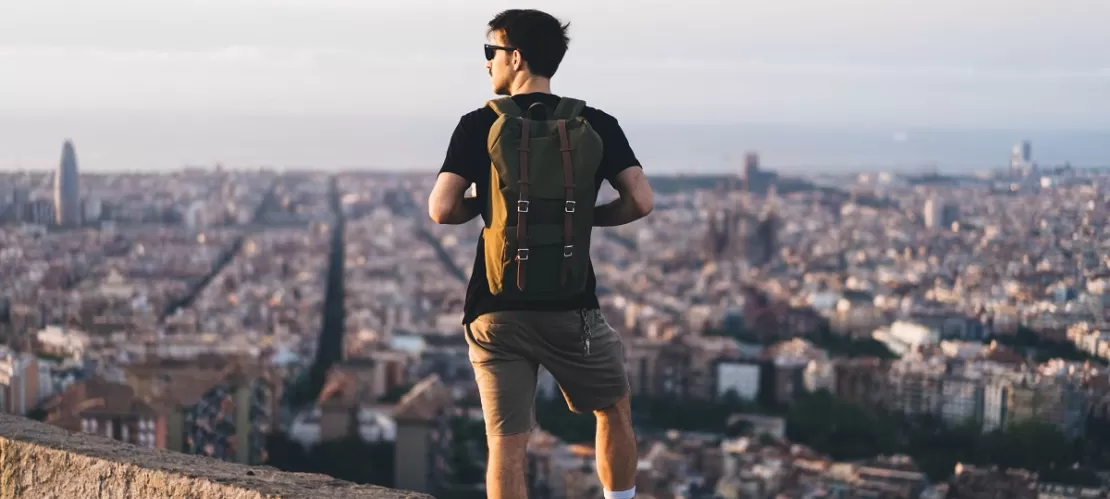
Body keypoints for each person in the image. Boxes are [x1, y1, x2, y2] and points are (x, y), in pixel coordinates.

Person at [428, 8, 653, 499]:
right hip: (572, 307)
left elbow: (442, 210)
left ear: (516, 56)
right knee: (612, 409)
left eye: (491, 52)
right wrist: (584, 218)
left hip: (495, 308)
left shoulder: (477, 124)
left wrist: (489, 204)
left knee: (506, 445)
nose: (487, 63)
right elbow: (641, 201)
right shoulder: (597, 123)